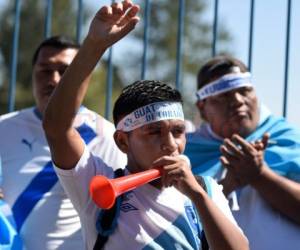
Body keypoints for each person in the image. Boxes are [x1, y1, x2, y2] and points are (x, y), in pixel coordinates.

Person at [43, 1, 249, 249]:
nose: (171, 144)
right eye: (154, 132)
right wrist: (95, 45)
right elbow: (56, 126)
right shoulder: (96, 183)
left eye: (178, 131)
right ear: (122, 141)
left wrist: (197, 195)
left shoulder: (207, 189)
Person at [0, 36, 126, 249]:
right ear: (32, 75)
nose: (54, 80)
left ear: (84, 78)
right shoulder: (4, 128)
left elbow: (123, 209)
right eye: (45, 70)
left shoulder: (106, 135)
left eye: (65, 71)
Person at [185, 55, 300, 250]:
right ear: (202, 108)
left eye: (244, 90)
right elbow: (177, 223)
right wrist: (223, 188)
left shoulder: (286, 137)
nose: (238, 101)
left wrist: (260, 175)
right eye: (224, 95)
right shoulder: (187, 153)